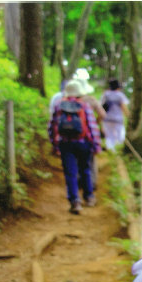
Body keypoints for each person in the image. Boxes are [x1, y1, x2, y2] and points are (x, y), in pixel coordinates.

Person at [48, 80, 102, 214]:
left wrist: (55, 145)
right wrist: (96, 145)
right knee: (85, 169)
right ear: (80, 93)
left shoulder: (58, 105)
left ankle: (75, 201)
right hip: (83, 142)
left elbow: (52, 127)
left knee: (70, 173)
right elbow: (92, 127)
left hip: (66, 144)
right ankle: (89, 197)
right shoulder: (84, 106)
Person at [75, 77, 106, 189]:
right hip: (89, 135)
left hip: (73, 135)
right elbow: (102, 114)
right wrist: (95, 123)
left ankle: (78, 181)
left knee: (76, 159)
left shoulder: (69, 101)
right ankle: (91, 184)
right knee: (90, 161)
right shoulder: (91, 100)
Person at [100, 79, 129, 151]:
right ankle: (118, 152)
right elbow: (124, 107)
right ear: (118, 88)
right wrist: (128, 116)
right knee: (120, 136)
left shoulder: (105, 95)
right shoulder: (120, 95)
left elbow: (101, 106)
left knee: (109, 136)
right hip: (118, 119)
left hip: (107, 119)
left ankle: (111, 151)